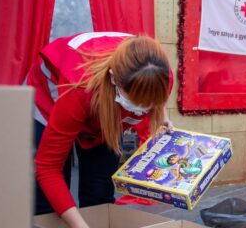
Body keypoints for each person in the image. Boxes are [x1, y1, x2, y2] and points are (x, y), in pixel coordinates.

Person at [26, 32, 173, 228]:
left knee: (99, 192)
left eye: (149, 103)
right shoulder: (78, 90)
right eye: (135, 101)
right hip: (50, 98)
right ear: (114, 79)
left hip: (104, 107)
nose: (142, 109)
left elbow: (157, 97)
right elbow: (47, 168)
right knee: (47, 206)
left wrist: (163, 118)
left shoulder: (160, 74)